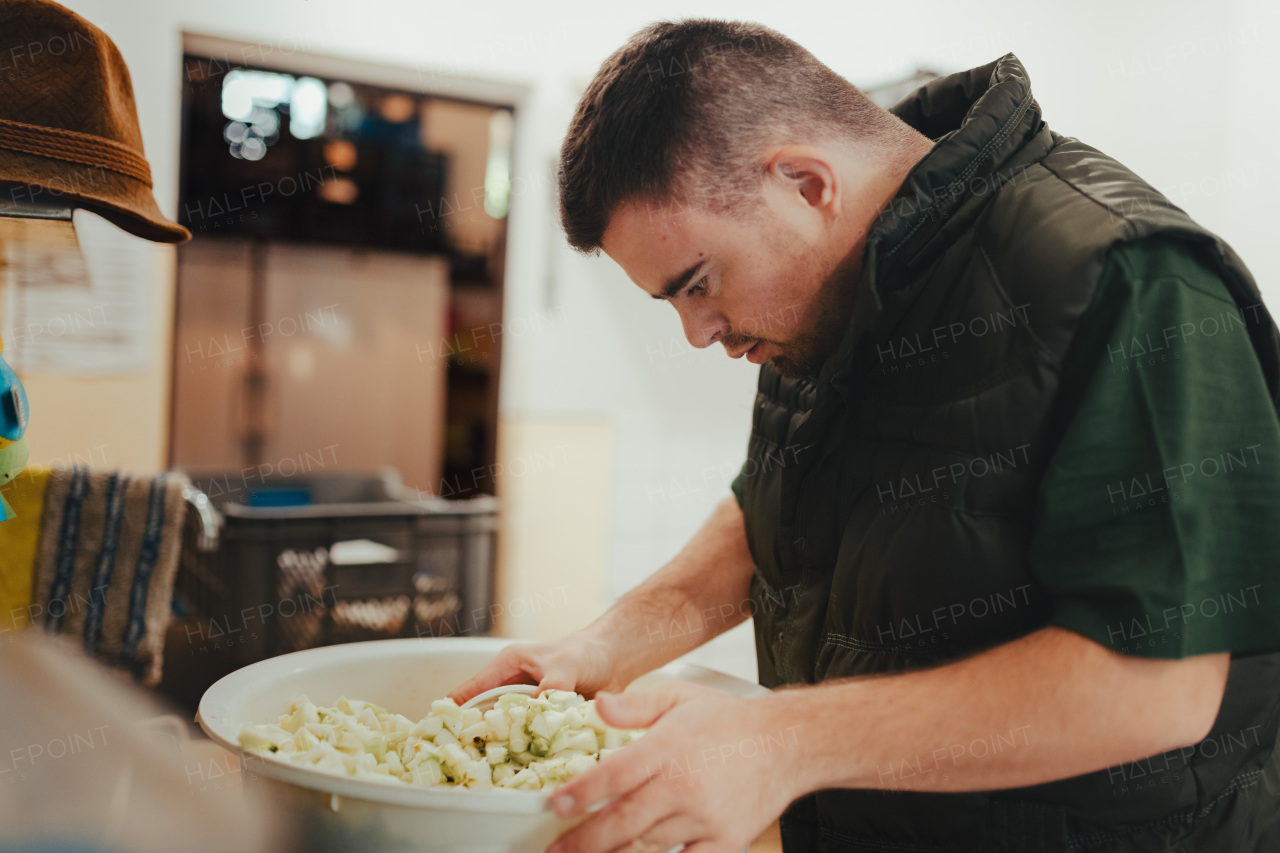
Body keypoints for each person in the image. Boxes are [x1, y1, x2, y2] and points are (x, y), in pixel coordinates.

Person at [449, 19, 1280, 853]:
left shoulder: (1126, 279)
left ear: (807, 185)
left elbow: (1153, 686)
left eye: (698, 284)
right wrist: (605, 642)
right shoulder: (821, 296)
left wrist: (782, 741)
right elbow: (774, 506)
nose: (699, 333)